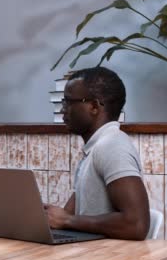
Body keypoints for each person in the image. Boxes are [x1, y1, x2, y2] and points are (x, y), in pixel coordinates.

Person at [44, 67, 150, 240]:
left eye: (68, 102)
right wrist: (50, 216)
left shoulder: (112, 146)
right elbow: (69, 215)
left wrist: (68, 220)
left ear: (94, 106)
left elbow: (137, 225)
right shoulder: (95, 149)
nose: (63, 110)